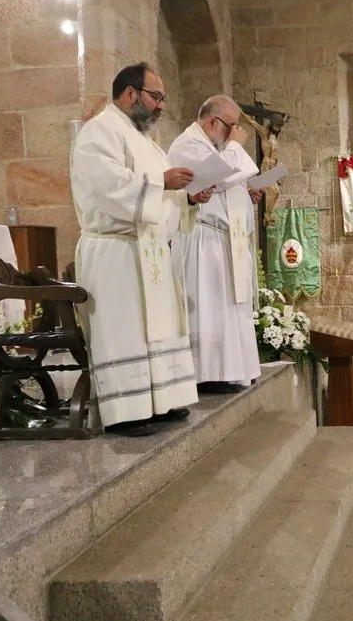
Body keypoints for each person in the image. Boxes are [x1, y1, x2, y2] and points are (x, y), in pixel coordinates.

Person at [70, 62, 214, 437]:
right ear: (130, 92)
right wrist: (161, 182)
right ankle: (126, 411)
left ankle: (159, 400)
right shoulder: (99, 131)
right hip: (115, 252)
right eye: (156, 97)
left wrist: (188, 198)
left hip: (147, 250)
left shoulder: (145, 141)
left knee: (155, 329)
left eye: (163, 98)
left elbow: (161, 196)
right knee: (125, 332)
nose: (161, 105)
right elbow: (108, 186)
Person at [168, 95, 263, 394]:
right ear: (213, 121)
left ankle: (233, 369)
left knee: (229, 308)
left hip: (224, 241)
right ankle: (208, 373)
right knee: (209, 308)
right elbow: (214, 176)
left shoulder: (214, 148)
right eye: (231, 126)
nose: (235, 132)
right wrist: (236, 146)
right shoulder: (187, 144)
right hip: (201, 240)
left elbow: (224, 182)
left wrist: (245, 192)